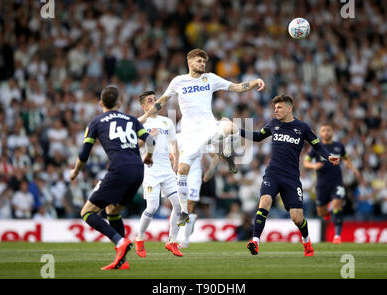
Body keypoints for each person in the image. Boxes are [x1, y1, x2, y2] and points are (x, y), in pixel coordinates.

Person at [140, 48, 265, 226]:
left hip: (208, 126)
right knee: (182, 171)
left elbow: (236, 87)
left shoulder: (210, 78)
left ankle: (227, 153)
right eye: (199, 61)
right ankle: (183, 211)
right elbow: (162, 101)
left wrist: (255, 82)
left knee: (231, 126)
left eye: (204, 62)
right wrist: (145, 117)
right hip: (190, 133)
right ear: (190, 62)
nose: (202, 64)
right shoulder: (178, 81)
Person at [240, 95, 340, 257]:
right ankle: (255, 241)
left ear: (289, 108)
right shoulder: (273, 124)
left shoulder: (302, 127)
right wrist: (237, 130)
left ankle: (307, 242)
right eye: (274, 108)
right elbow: (258, 136)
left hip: (291, 178)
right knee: (264, 201)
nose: (275, 111)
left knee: (297, 218)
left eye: (279, 107)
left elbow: (317, 145)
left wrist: (328, 156)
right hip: (272, 174)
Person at [69, 85, 155, 270]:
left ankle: (119, 241)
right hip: (138, 170)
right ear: (119, 102)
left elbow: (84, 154)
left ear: (100, 103)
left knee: (87, 212)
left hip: (119, 169)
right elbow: (150, 140)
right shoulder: (131, 119)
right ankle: (122, 262)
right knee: (113, 211)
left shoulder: (96, 122)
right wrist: (148, 156)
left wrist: (75, 172)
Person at [135, 91, 183, 257]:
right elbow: (135, 145)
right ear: (143, 106)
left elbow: (173, 143)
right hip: (151, 170)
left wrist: (176, 162)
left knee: (179, 206)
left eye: (156, 99)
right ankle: (139, 238)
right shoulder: (140, 122)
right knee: (153, 207)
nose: (155, 102)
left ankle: (172, 241)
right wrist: (148, 136)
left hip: (167, 170)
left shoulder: (167, 121)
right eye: (150, 100)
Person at [303, 123, 362, 244]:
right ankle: (327, 212)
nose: (326, 132)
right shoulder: (316, 147)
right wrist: (314, 165)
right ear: (320, 133)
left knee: (338, 204)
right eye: (324, 130)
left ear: (332, 132)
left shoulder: (339, 146)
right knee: (321, 212)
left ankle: (337, 236)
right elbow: (306, 162)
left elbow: (346, 159)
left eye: (328, 130)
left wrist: (354, 169)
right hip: (321, 184)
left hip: (336, 182)